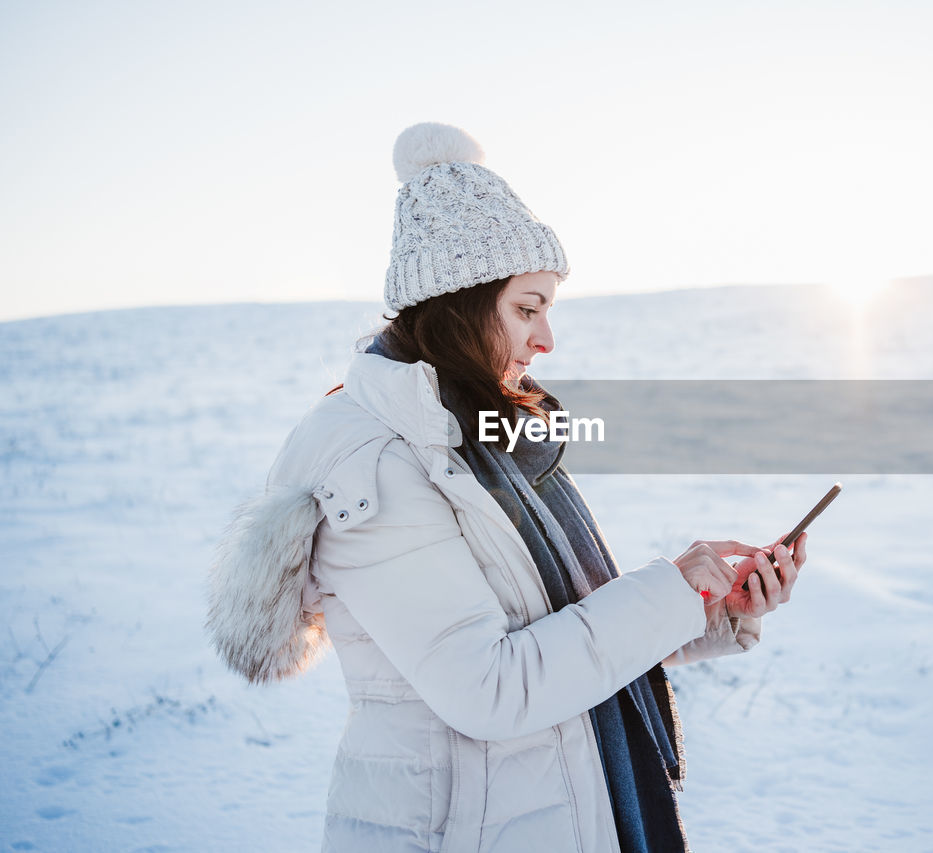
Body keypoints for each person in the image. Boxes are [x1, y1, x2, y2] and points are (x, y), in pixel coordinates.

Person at [206, 122, 808, 853]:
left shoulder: (483, 436)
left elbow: (566, 633)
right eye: (528, 308)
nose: (547, 338)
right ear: (459, 302)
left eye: (549, 307)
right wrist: (670, 590)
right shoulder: (374, 459)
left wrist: (709, 602)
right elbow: (492, 685)